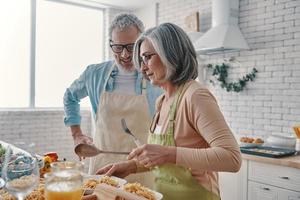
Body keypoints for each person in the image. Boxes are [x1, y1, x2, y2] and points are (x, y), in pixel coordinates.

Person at [96, 23, 242, 200]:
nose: (142, 68)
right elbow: (163, 160)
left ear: (170, 55)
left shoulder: (195, 96)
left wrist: (168, 153)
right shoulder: (162, 101)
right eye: (141, 60)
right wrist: (130, 166)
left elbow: (232, 158)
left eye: (147, 57)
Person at [63, 13, 162, 186]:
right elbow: (70, 96)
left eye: (131, 47)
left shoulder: (155, 77)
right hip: (102, 166)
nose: (124, 55)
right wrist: (77, 134)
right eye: (118, 47)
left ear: (142, 44)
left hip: (142, 168)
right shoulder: (94, 74)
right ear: (110, 44)